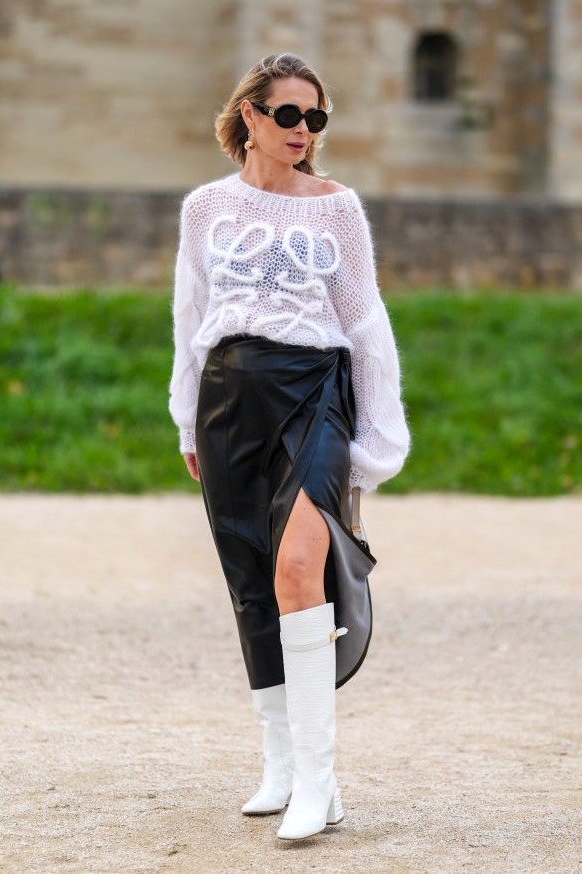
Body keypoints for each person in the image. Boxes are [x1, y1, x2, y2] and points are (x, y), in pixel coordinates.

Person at [169, 53, 410, 841]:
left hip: (313, 395)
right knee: (250, 578)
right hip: (226, 396)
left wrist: (378, 436)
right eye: (288, 115)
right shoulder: (205, 207)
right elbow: (189, 313)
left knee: (300, 570)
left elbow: (366, 323)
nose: (304, 131)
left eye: (315, 118)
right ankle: (280, 764)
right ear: (250, 117)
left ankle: (319, 780)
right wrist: (184, 417)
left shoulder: (336, 209)